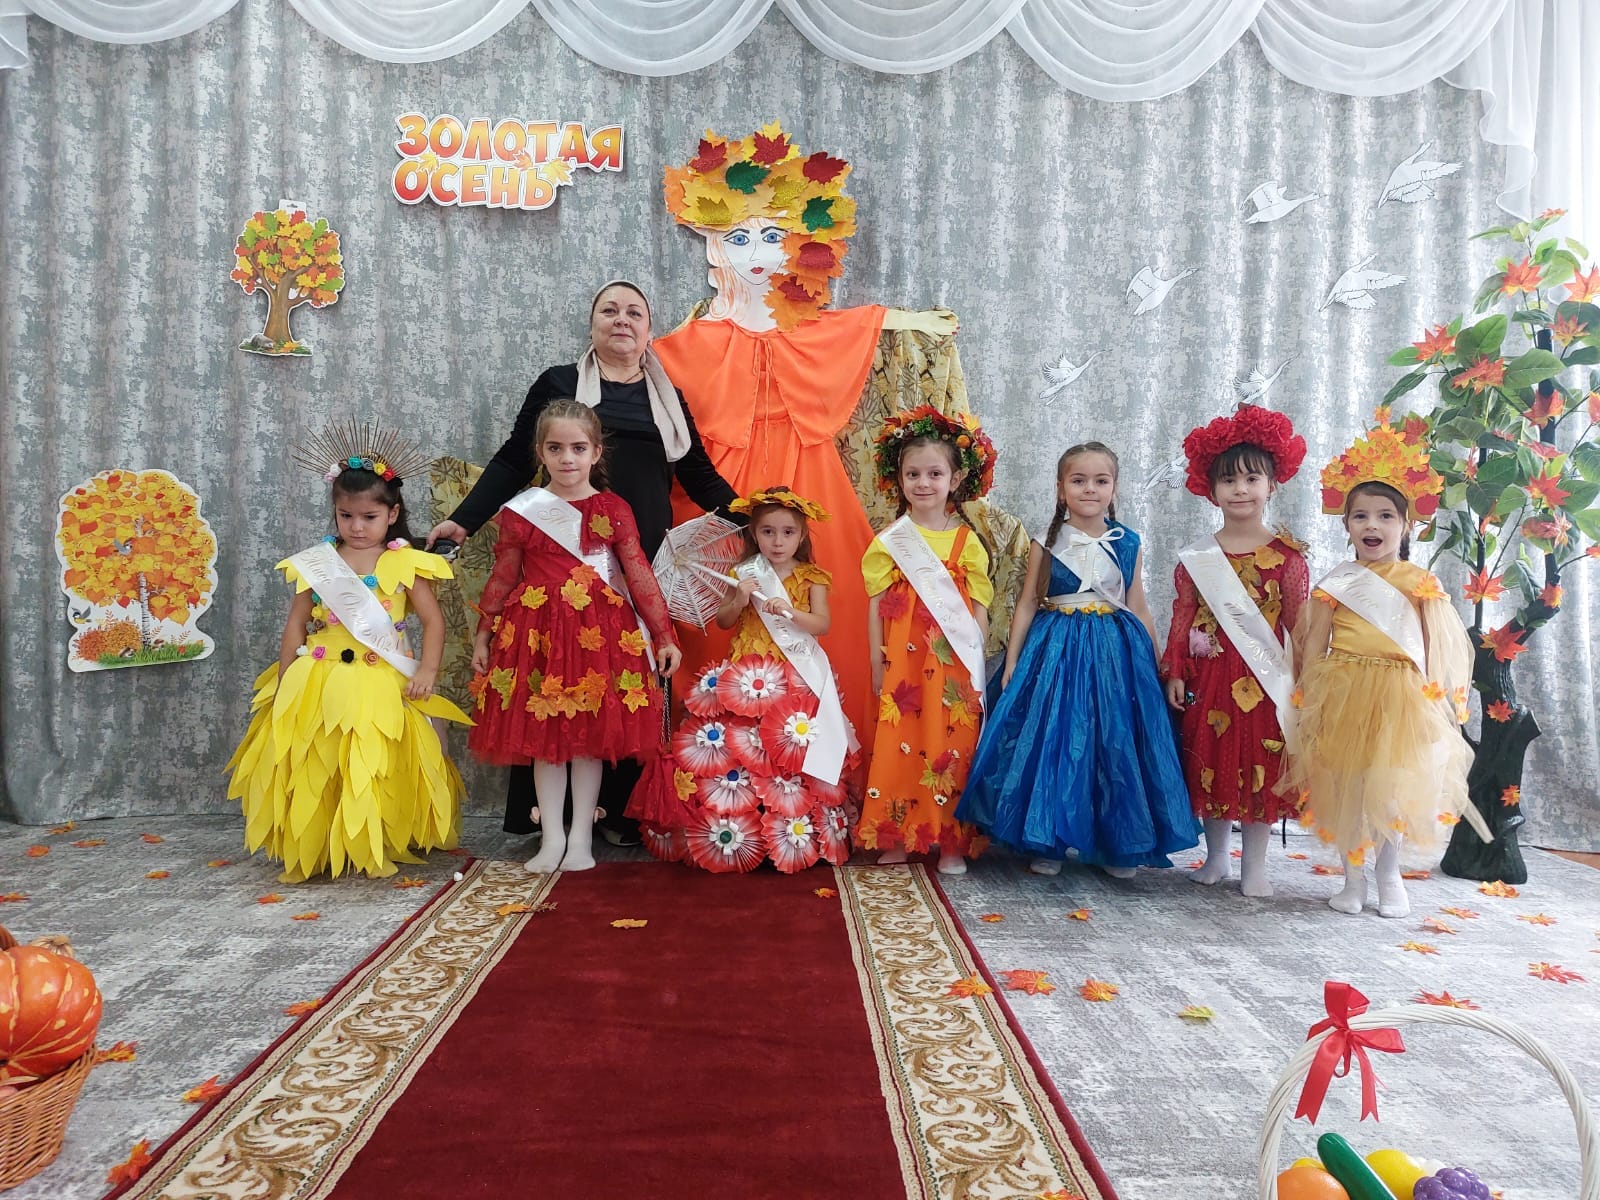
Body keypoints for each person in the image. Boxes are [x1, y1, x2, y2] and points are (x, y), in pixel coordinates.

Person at [654, 125, 963, 740]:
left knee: (834, 594)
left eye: (774, 236)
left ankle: (823, 752)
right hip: (723, 485)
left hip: (809, 472)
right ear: (715, 247)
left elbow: (854, 325)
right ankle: (720, 751)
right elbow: (664, 360)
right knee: (715, 606)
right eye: (739, 237)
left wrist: (909, 319)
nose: (758, 253)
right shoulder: (688, 340)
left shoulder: (810, 328)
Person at [428, 280, 735, 846]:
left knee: (622, 688)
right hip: (559, 565)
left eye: (634, 312)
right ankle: (549, 821)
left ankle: (619, 815)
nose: (622, 320)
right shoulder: (560, 384)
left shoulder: (667, 395)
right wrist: (464, 519)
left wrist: (755, 517)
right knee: (555, 680)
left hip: (636, 562)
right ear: (592, 325)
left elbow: (698, 475)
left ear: (648, 329)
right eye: (609, 310)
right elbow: (514, 460)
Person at [226, 424, 471, 882]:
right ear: (335, 513)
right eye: (346, 516)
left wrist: (428, 670)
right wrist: (284, 678)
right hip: (319, 677)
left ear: (392, 514)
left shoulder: (405, 562)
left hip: (382, 679)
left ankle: (377, 838)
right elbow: (296, 623)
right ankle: (321, 843)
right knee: (321, 758)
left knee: (373, 762)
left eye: (369, 517)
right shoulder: (318, 563)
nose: (357, 527)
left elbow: (433, 622)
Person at [958, 442, 1196, 877]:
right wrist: (1012, 662)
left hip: (1114, 655)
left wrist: (1158, 664)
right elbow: (1028, 603)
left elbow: (1138, 607)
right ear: (1060, 488)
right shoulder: (1046, 542)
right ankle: (1047, 838)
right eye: (1078, 480)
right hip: (1056, 651)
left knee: (1113, 744)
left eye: (1100, 481)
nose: (1090, 489)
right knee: (1054, 739)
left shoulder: (1128, 542)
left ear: (1114, 488)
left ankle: (1116, 845)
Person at [1277, 425, 1488, 917]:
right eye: (1361, 516)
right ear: (1346, 525)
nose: (1372, 526)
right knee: (1348, 789)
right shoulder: (1336, 583)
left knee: (1390, 790)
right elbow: (1313, 643)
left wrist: (1441, 701)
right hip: (1344, 692)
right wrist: (1308, 696)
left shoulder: (1421, 582)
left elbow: (1438, 646)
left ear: (1406, 525)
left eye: (1385, 516)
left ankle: (1388, 874)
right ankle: (1352, 879)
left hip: (1401, 698)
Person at [467, 401, 682, 873]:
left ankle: (581, 836)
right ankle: (552, 838)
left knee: (588, 741)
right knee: (544, 740)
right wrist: (485, 633)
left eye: (578, 448)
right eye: (556, 448)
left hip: (599, 636)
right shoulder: (523, 512)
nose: (567, 458)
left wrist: (663, 635)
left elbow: (638, 574)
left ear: (596, 452)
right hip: (537, 636)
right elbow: (503, 576)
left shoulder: (613, 508)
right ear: (540, 452)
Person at [648, 486, 857, 872]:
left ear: (802, 536)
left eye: (787, 532)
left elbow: (822, 624)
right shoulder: (743, 574)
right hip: (748, 674)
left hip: (793, 675)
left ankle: (793, 833)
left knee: (788, 747)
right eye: (767, 532)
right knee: (747, 747)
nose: (777, 542)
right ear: (754, 534)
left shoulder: (811, 577)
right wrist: (740, 599)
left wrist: (790, 612)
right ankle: (745, 829)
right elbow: (724, 621)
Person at [1160, 406, 1310, 898]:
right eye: (1229, 480)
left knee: (1261, 767)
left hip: (1267, 681)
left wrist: (1306, 679)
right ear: (1211, 489)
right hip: (1210, 678)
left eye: (1251, 479)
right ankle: (1217, 856)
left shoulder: (1288, 557)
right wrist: (1175, 670)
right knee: (1211, 762)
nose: (1240, 489)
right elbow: (1183, 615)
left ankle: (1256, 865)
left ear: (1273, 485)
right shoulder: (1198, 557)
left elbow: (1299, 626)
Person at [855, 408, 996, 875]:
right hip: (903, 664)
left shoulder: (967, 543)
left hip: (953, 666)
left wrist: (976, 663)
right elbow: (875, 607)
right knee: (900, 742)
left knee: (952, 744)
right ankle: (897, 833)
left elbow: (979, 608)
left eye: (934, 474)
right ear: (899, 480)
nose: (923, 483)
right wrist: (876, 662)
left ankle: (950, 842)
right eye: (913, 474)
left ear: (955, 480)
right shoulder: (889, 542)